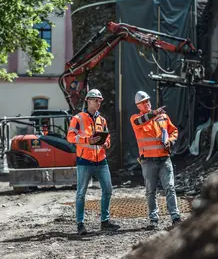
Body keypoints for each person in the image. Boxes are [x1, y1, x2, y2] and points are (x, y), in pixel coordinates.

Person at [67, 89, 120, 235]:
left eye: (99, 101)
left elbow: (107, 137)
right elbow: (70, 137)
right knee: (81, 193)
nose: (98, 103)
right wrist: (86, 140)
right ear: (88, 101)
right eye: (96, 100)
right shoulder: (77, 118)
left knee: (108, 190)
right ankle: (80, 224)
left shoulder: (102, 120)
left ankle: (105, 221)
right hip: (84, 161)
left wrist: (106, 144)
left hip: (101, 160)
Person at [130, 90, 181, 229]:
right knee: (150, 191)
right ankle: (154, 219)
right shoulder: (135, 119)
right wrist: (154, 113)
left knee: (169, 187)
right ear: (138, 106)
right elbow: (141, 120)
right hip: (148, 161)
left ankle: (175, 217)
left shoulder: (163, 117)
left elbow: (174, 131)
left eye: (147, 101)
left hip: (164, 158)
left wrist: (170, 141)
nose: (146, 104)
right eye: (143, 103)